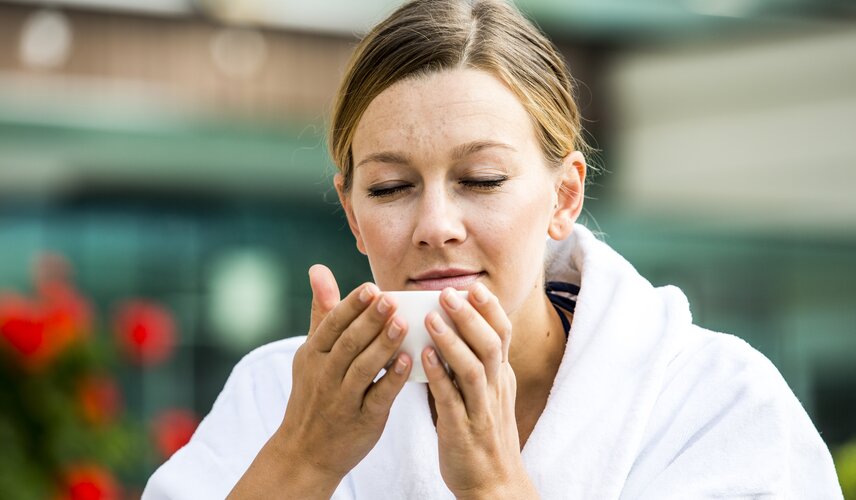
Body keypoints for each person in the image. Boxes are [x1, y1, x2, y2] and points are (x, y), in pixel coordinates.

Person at [143, 0, 842, 498]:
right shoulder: (278, 399)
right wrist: (304, 459)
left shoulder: (715, 404)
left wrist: (494, 486)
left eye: (480, 179)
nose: (435, 224)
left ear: (565, 198)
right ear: (352, 214)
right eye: (389, 188)